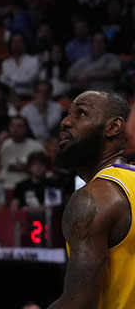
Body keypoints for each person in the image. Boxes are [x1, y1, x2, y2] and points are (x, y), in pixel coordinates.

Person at [47, 90, 134, 309]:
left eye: (82, 113)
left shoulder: (93, 198)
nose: (65, 122)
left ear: (113, 127)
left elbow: (79, 304)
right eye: (68, 114)